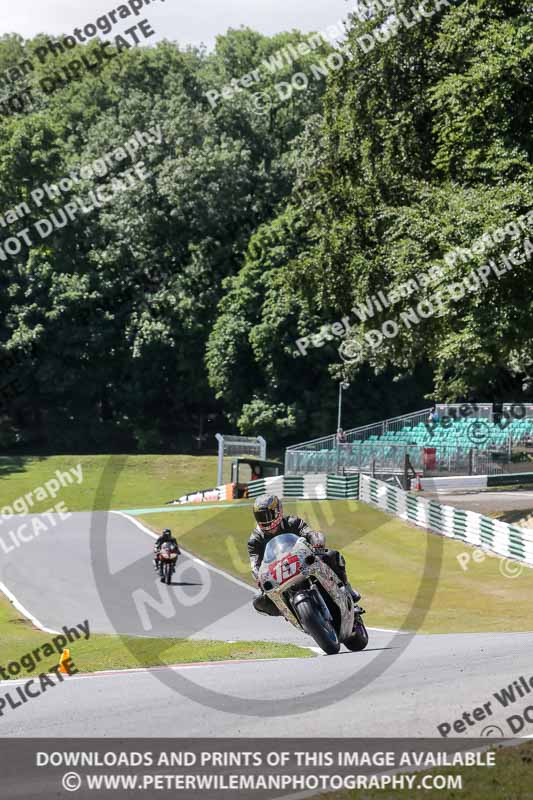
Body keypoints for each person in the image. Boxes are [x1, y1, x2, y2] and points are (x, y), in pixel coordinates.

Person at [248, 494, 362, 617]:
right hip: (279, 575)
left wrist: (317, 542)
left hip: (303, 563)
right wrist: (259, 577)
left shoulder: (293, 522)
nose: (266, 519)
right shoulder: (255, 540)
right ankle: (289, 612)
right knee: (258, 600)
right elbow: (255, 565)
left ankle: (347, 591)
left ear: (278, 511)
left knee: (332, 555)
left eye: (268, 515)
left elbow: (310, 533)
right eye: (261, 516)